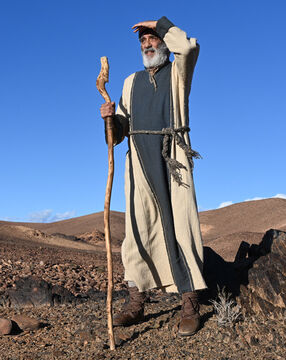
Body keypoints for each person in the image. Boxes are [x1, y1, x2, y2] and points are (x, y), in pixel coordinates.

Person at [100, 16, 207, 336]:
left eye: (153, 38)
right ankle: (136, 302)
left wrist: (161, 24)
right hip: (138, 160)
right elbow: (118, 133)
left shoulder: (178, 73)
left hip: (173, 155)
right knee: (137, 230)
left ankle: (189, 302)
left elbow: (187, 49)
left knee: (181, 226)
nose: (147, 44)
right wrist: (108, 119)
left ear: (162, 40)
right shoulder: (130, 82)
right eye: (143, 40)